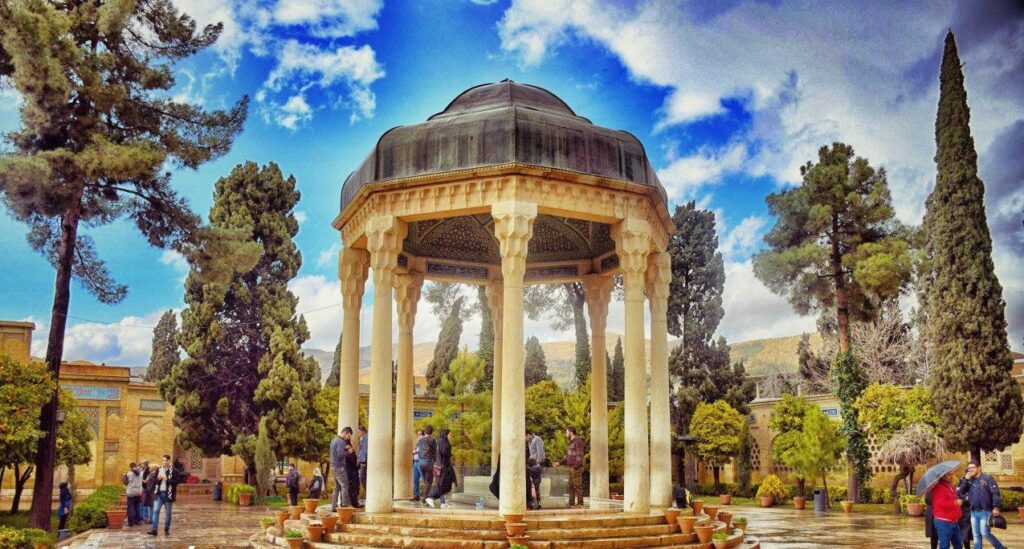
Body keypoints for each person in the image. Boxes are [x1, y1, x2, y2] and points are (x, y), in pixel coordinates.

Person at [958, 460, 1006, 549]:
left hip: (985, 510)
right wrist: (966, 479)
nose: (970, 469)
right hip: (973, 511)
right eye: (969, 468)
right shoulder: (969, 480)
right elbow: (961, 491)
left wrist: (996, 507)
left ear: (979, 468)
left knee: (985, 533)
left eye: (973, 467)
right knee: (976, 534)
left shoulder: (987, 478)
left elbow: (995, 493)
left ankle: (1000, 547)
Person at [148, 454, 181, 536]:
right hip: (159, 494)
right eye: (163, 460)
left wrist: (167, 479)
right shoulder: (159, 469)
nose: (164, 461)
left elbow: (176, 482)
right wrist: (158, 479)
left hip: (168, 494)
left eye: (166, 460)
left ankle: (166, 529)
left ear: (169, 461)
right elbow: (154, 481)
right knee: (156, 510)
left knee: (168, 513)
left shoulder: (174, 471)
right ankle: (154, 530)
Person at [554, 426, 586, 508]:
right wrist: (559, 462)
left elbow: (580, 455)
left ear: (571, 432)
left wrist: (575, 466)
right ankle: (571, 504)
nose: (566, 434)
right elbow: (568, 457)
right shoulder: (571, 443)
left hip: (575, 468)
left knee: (578, 486)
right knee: (571, 486)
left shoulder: (578, 442)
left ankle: (580, 504)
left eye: (566, 432)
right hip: (571, 468)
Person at [933, 469, 964, 549]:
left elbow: (952, 498)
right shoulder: (939, 487)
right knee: (944, 545)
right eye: (949, 475)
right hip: (944, 522)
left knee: (958, 544)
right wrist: (955, 503)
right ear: (943, 476)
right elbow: (940, 503)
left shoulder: (949, 485)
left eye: (952, 474)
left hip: (954, 520)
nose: (952, 476)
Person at [425, 429, 455, 508]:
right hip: (443, 468)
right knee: (441, 484)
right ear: (445, 435)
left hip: (438, 466)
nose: (451, 437)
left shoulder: (439, 442)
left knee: (442, 484)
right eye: (450, 435)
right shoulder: (444, 443)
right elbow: (445, 454)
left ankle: (443, 503)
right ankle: (430, 497)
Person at [330, 428, 354, 510]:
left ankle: (333, 507)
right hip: (340, 467)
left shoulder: (334, 440)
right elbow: (340, 455)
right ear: (345, 433)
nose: (348, 438)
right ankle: (344, 506)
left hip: (334, 466)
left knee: (337, 488)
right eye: (348, 436)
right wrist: (349, 452)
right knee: (345, 486)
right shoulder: (341, 441)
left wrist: (345, 448)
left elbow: (336, 453)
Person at [417, 426, 437, 504]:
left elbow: (418, 451)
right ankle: (424, 499)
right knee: (429, 482)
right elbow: (435, 451)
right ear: (432, 432)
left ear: (424, 432)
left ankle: (428, 497)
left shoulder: (420, 440)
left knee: (426, 482)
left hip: (420, 463)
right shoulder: (432, 440)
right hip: (428, 463)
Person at [526, 429, 545, 510]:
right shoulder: (529, 441)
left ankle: (538, 503)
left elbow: (541, 453)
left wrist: (537, 465)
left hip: (536, 466)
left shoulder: (537, 439)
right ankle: (532, 503)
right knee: (531, 485)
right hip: (531, 465)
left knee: (536, 485)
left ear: (527, 434)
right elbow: (531, 454)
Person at [412, 429, 425, 501]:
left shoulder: (424, 442)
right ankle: (416, 496)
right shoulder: (417, 442)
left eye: (419, 434)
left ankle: (427, 496)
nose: (418, 436)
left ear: (423, 435)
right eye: (418, 434)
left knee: (424, 479)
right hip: (416, 462)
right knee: (415, 479)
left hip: (421, 462)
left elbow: (421, 452)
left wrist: (415, 452)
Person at [357, 426, 368, 500]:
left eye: (359, 432)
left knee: (362, 478)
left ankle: (368, 492)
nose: (358, 433)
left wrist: (363, 461)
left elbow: (364, 451)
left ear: (363, 431)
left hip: (364, 462)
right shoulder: (362, 439)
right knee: (361, 478)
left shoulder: (366, 438)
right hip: (361, 462)